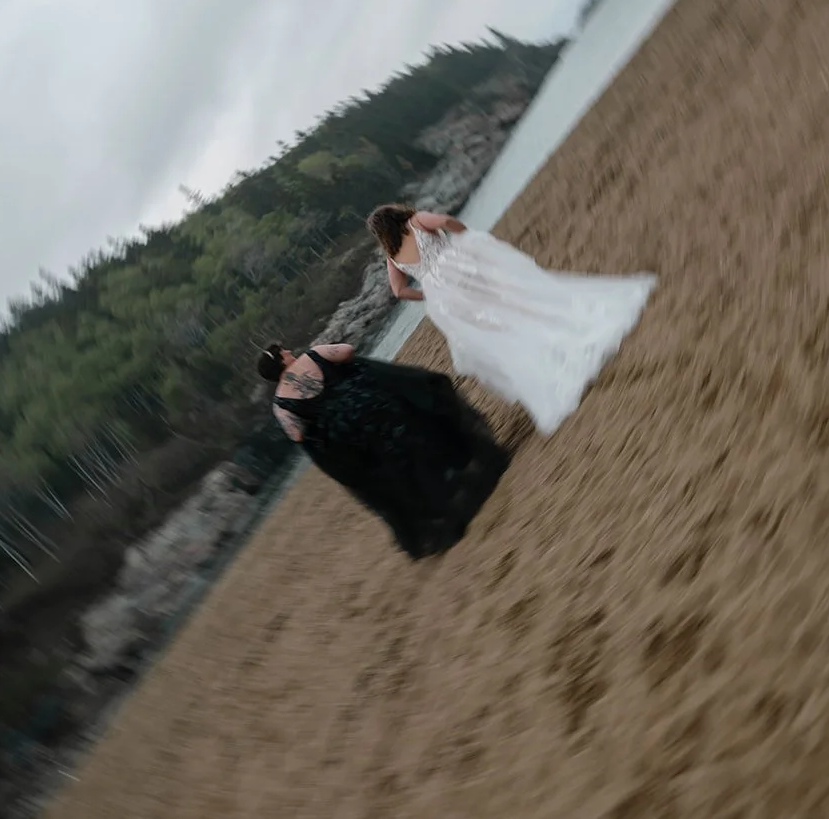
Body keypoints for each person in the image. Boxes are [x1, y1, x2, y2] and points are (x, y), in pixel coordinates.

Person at [366, 204, 657, 435]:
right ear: (395, 213)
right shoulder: (416, 222)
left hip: (448, 297)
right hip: (463, 269)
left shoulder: (392, 257)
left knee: (499, 327)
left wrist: (429, 296)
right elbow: (443, 220)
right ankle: (561, 335)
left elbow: (399, 290)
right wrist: (465, 235)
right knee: (515, 301)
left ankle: (543, 364)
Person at [258, 341, 509, 561]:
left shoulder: (280, 406)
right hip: (373, 403)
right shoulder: (312, 355)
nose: (289, 351)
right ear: (282, 359)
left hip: (350, 436)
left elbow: (299, 435)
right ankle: (465, 470)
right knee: (422, 436)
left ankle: (444, 508)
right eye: (284, 351)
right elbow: (347, 351)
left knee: (398, 470)